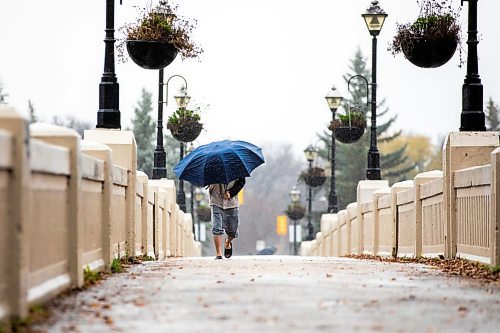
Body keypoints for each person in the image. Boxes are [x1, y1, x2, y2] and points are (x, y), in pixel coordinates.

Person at [209, 177, 245, 260]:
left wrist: (230, 193)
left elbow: (241, 182)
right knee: (216, 228)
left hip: (232, 203)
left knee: (233, 231)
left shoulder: (237, 167)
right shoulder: (212, 168)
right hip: (216, 201)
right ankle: (218, 253)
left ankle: (227, 242)